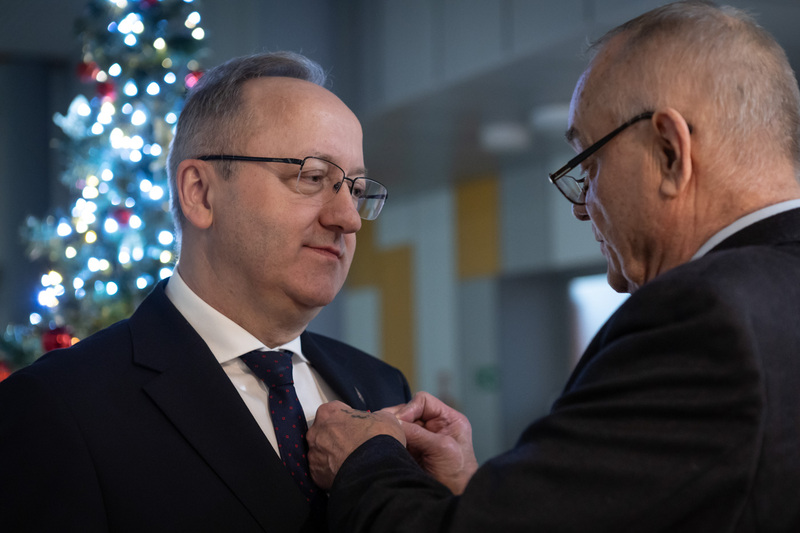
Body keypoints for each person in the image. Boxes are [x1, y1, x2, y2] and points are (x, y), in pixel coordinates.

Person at [306, 2, 800, 531]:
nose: (582, 207)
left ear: (669, 152)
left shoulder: (705, 318)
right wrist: (476, 491)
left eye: (589, 165)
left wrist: (365, 461)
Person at [0, 51, 410, 532]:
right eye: (314, 176)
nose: (348, 219)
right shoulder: (59, 406)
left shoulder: (382, 388)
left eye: (355, 190)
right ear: (200, 192)